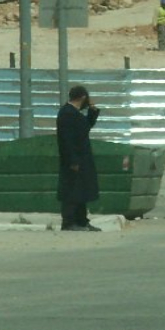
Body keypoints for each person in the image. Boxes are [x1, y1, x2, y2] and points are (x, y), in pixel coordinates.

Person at [56, 85, 101, 232]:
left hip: (82, 159)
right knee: (72, 192)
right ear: (82, 97)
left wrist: (92, 112)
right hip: (73, 160)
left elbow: (84, 128)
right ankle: (69, 222)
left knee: (82, 191)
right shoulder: (67, 113)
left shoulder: (74, 113)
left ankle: (82, 221)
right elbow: (66, 140)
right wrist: (73, 160)